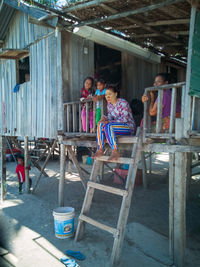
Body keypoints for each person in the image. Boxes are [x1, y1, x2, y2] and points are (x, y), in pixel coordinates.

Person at [93, 85, 136, 161]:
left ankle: (115, 151)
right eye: (106, 95)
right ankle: (100, 149)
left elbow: (124, 119)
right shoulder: (109, 105)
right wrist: (104, 118)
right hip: (115, 127)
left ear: (116, 94)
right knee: (101, 124)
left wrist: (108, 121)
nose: (107, 96)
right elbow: (110, 117)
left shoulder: (123, 103)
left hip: (128, 127)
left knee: (108, 126)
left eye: (110, 94)